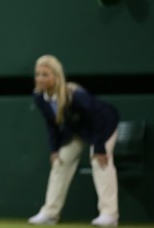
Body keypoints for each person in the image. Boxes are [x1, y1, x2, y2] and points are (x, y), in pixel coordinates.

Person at [28, 55, 120, 227]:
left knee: (99, 162)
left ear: (56, 77)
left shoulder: (75, 95)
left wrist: (99, 147)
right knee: (60, 162)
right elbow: (52, 124)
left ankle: (109, 215)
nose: (40, 78)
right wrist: (54, 150)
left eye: (45, 75)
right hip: (77, 130)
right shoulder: (39, 97)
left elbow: (97, 119)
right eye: (37, 74)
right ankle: (50, 213)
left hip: (104, 125)